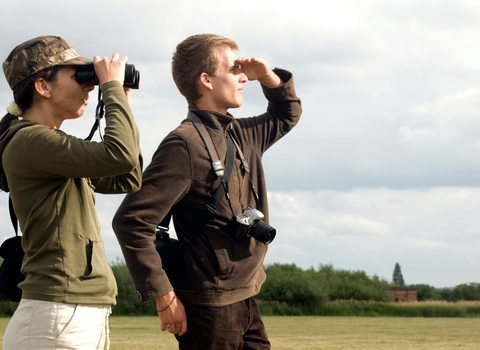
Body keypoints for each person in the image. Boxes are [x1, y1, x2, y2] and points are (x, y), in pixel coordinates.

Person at [113, 33, 301, 349]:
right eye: (234, 69)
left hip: (246, 296)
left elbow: (287, 113)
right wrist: (164, 297)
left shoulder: (241, 133)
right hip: (208, 309)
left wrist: (267, 77)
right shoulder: (183, 144)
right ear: (206, 80)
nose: (243, 77)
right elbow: (131, 222)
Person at [0, 36, 142, 350]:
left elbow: (126, 177)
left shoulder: (48, 148)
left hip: (69, 310)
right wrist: (113, 91)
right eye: (79, 77)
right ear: (43, 87)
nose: (89, 86)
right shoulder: (30, 141)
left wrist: (121, 104)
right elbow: (120, 155)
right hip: (57, 311)